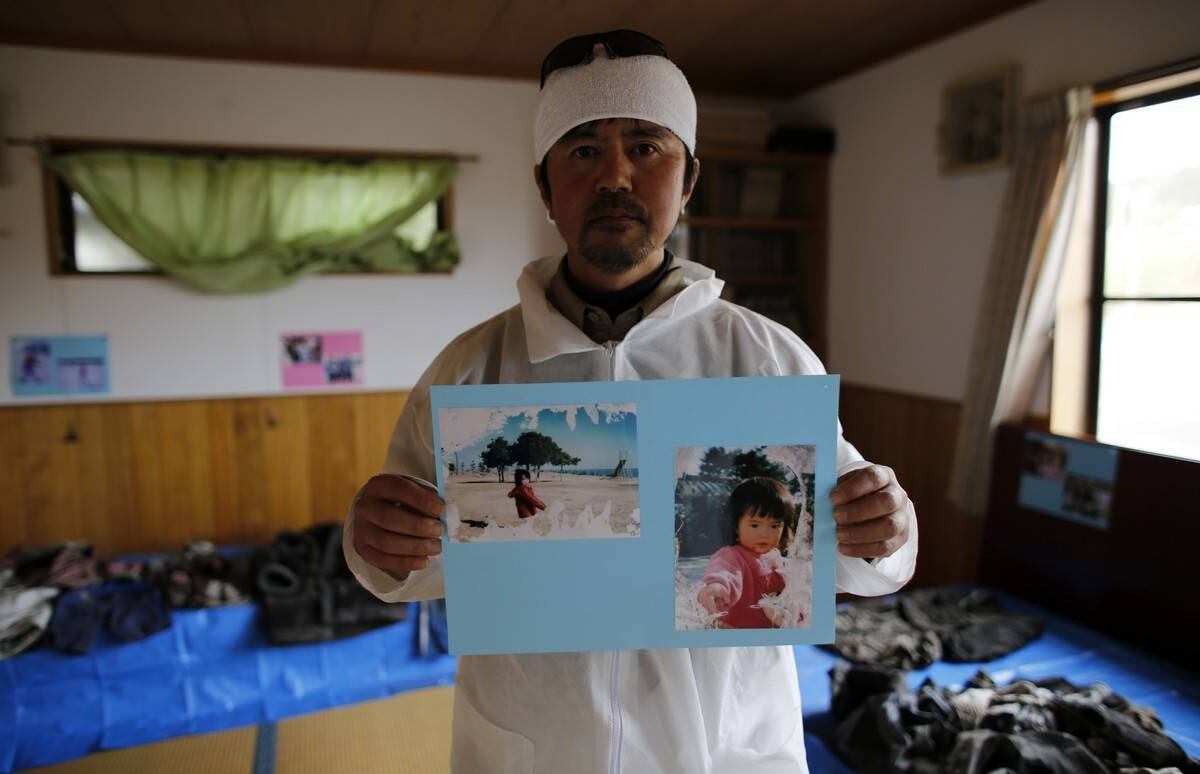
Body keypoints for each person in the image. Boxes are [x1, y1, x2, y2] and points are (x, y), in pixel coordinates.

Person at [344, 29, 918, 773]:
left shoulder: (767, 359)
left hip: (724, 748)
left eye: (646, 147)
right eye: (583, 150)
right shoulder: (470, 370)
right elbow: (410, 566)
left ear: (688, 179)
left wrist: (885, 526)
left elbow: (858, 556)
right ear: (545, 186)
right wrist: (377, 541)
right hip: (530, 750)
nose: (615, 175)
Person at [697, 477, 796, 629]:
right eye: (755, 525)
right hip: (735, 632)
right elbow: (725, 572)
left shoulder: (779, 561)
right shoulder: (732, 556)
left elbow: (797, 591)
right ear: (736, 526)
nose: (765, 534)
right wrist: (717, 586)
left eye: (775, 526)